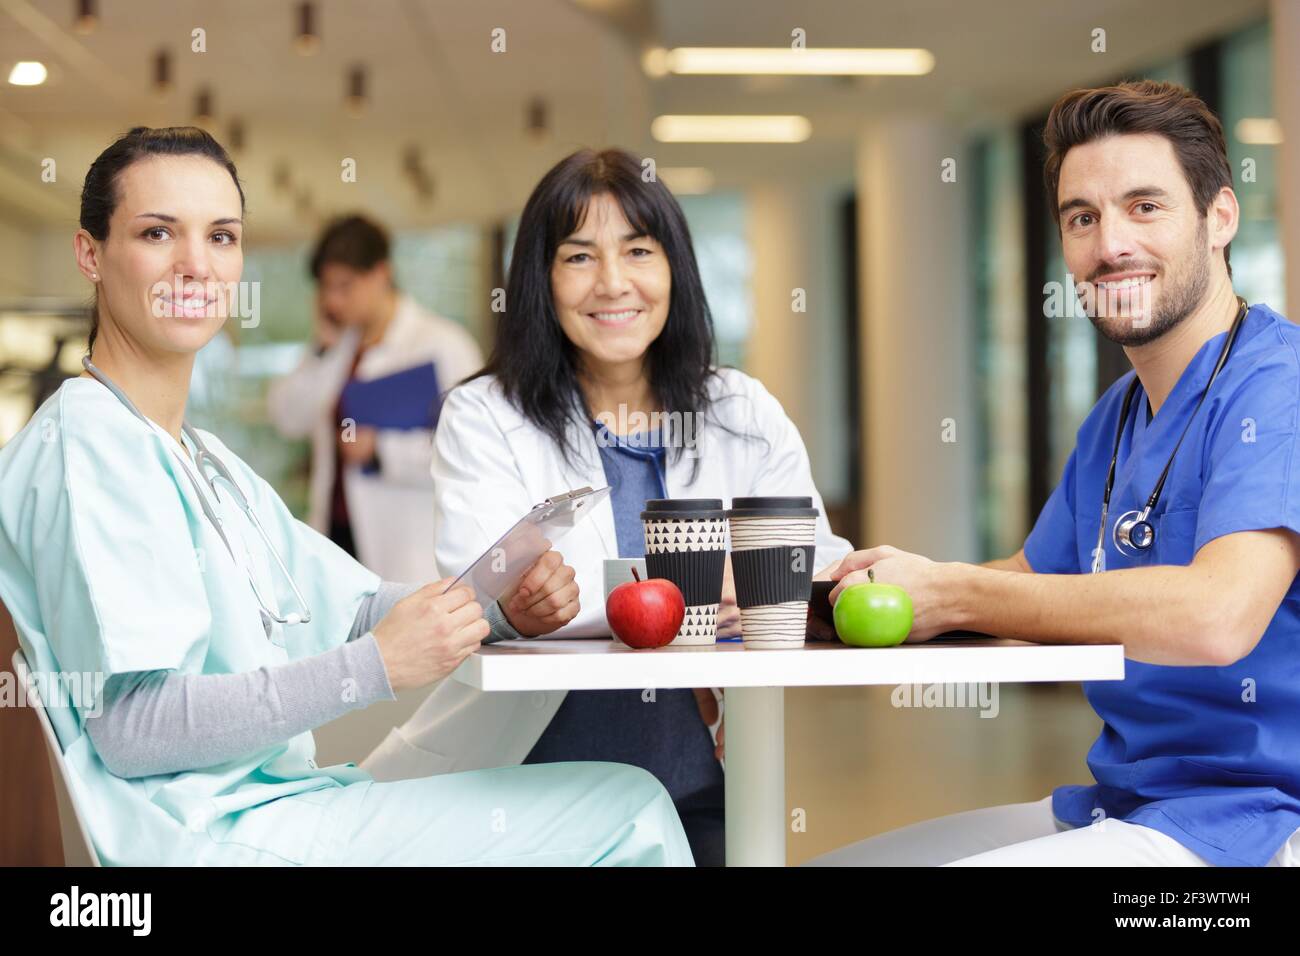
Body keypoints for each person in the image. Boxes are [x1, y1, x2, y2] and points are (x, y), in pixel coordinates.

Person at [0, 126, 692, 867]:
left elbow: (354, 605)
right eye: (158, 232)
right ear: (90, 254)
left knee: (590, 795)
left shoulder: (203, 459)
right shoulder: (89, 443)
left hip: (282, 803)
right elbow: (135, 729)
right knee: (629, 810)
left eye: (222, 236)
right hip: (205, 836)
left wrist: (496, 607)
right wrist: (372, 667)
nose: (195, 264)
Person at [809, 81, 1300, 867]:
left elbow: (1219, 615)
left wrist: (961, 591)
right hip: (1126, 806)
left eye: (1146, 207)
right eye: (1082, 217)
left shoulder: (1278, 386)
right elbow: (1031, 582)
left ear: (1220, 218)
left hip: (1254, 826)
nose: (1110, 246)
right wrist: (863, 592)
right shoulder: (1117, 413)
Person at [361, 148, 854, 867]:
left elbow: (815, 565)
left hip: (695, 786)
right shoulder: (484, 414)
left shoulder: (741, 410)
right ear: (542, 278)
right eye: (579, 257)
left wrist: (767, 585)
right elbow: (484, 588)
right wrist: (720, 583)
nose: (613, 283)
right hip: (519, 794)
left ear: (674, 270)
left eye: (638, 251)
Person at [267, 215, 483, 583]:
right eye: (326, 288)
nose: (333, 301)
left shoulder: (442, 344)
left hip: (408, 546)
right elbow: (287, 417)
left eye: (345, 286)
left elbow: (471, 451)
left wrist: (381, 451)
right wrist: (321, 349)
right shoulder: (338, 348)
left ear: (381, 274)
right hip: (336, 537)